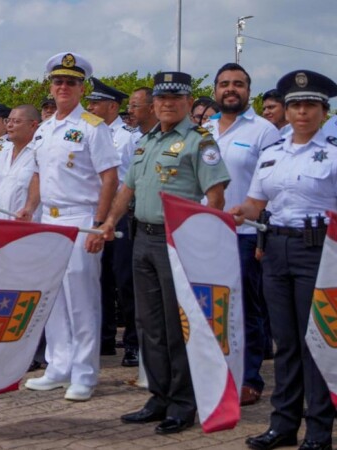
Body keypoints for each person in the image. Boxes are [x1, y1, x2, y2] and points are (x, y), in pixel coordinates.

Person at [99, 71, 230, 434]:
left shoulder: (199, 142)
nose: (168, 105)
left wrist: (204, 241)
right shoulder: (146, 142)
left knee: (176, 326)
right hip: (142, 237)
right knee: (147, 323)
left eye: (176, 99)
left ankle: (182, 402)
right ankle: (158, 396)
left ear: (188, 102)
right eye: (162, 99)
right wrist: (110, 221)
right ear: (154, 104)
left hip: (178, 242)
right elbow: (128, 189)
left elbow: (216, 197)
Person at [233, 70, 336, 450]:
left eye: (310, 105)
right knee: (286, 342)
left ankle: (319, 429)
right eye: (295, 105)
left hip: (320, 251)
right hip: (275, 249)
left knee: (318, 342)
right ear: (287, 111)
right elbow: (255, 203)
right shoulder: (272, 153)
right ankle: (283, 425)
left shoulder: (335, 150)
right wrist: (234, 213)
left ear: (324, 111)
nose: (302, 112)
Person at [15, 52, 119, 402]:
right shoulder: (43, 130)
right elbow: (37, 175)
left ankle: (85, 373)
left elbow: (109, 177)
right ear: (51, 85)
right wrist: (29, 208)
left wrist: (100, 223)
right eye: (58, 81)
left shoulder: (92, 126)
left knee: (81, 300)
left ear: (81, 88)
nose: (63, 87)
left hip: (80, 217)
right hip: (49, 218)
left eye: (71, 82)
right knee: (54, 298)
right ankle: (58, 366)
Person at [205, 63, 282, 407]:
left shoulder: (264, 131)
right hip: (205, 235)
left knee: (246, 311)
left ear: (248, 91)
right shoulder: (202, 131)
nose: (230, 89)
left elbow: (272, 187)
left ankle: (250, 378)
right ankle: (215, 374)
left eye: (238, 84)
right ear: (215, 90)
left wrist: (265, 239)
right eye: (224, 84)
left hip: (246, 234)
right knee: (212, 308)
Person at [85, 77, 139, 366]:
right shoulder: (90, 132)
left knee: (125, 280)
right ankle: (104, 339)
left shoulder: (128, 137)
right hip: (94, 214)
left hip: (120, 216)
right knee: (99, 278)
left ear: (113, 106)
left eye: (95, 102)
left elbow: (132, 179)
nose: (90, 106)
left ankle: (133, 342)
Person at [0, 105, 40, 219]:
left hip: (27, 225)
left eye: (16, 121)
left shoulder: (39, 154)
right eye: (8, 121)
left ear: (33, 125)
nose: (9, 125)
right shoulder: (4, 152)